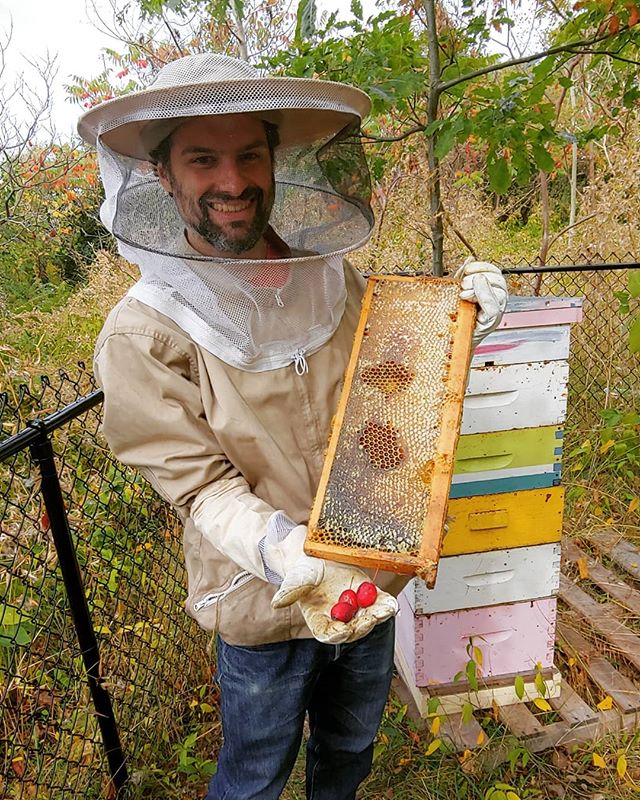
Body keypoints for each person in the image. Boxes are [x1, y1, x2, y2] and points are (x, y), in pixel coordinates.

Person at [78, 53, 508, 800]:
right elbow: (200, 487)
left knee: (349, 747)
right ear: (162, 177)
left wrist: (458, 318)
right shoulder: (142, 333)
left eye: (250, 154)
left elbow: (388, 384)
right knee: (253, 776)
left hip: (369, 580)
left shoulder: (329, 275)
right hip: (263, 602)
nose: (233, 182)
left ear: (277, 161)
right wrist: (288, 553)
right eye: (202, 158)